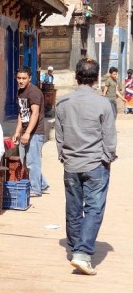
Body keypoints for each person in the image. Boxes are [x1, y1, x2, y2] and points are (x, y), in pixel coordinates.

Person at [55, 58, 117, 276]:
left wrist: (64, 156)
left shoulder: (63, 102)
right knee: (93, 209)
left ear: (76, 76)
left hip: (71, 164)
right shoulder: (104, 104)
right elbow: (109, 137)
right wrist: (108, 158)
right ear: (96, 77)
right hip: (95, 165)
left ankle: (75, 249)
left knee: (73, 208)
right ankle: (82, 253)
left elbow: (59, 136)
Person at [12, 66, 49, 197]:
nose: (21, 81)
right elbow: (21, 113)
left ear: (30, 78)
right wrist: (17, 131)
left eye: (24, 78)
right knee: (25, 161)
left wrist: (27, 133)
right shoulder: (20, 92)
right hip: (25, 131)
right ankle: (43, 184)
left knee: (33, 162)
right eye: (19, 78)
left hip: (35, 132)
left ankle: (36, 189)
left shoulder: (33, 92)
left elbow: (35, 114)